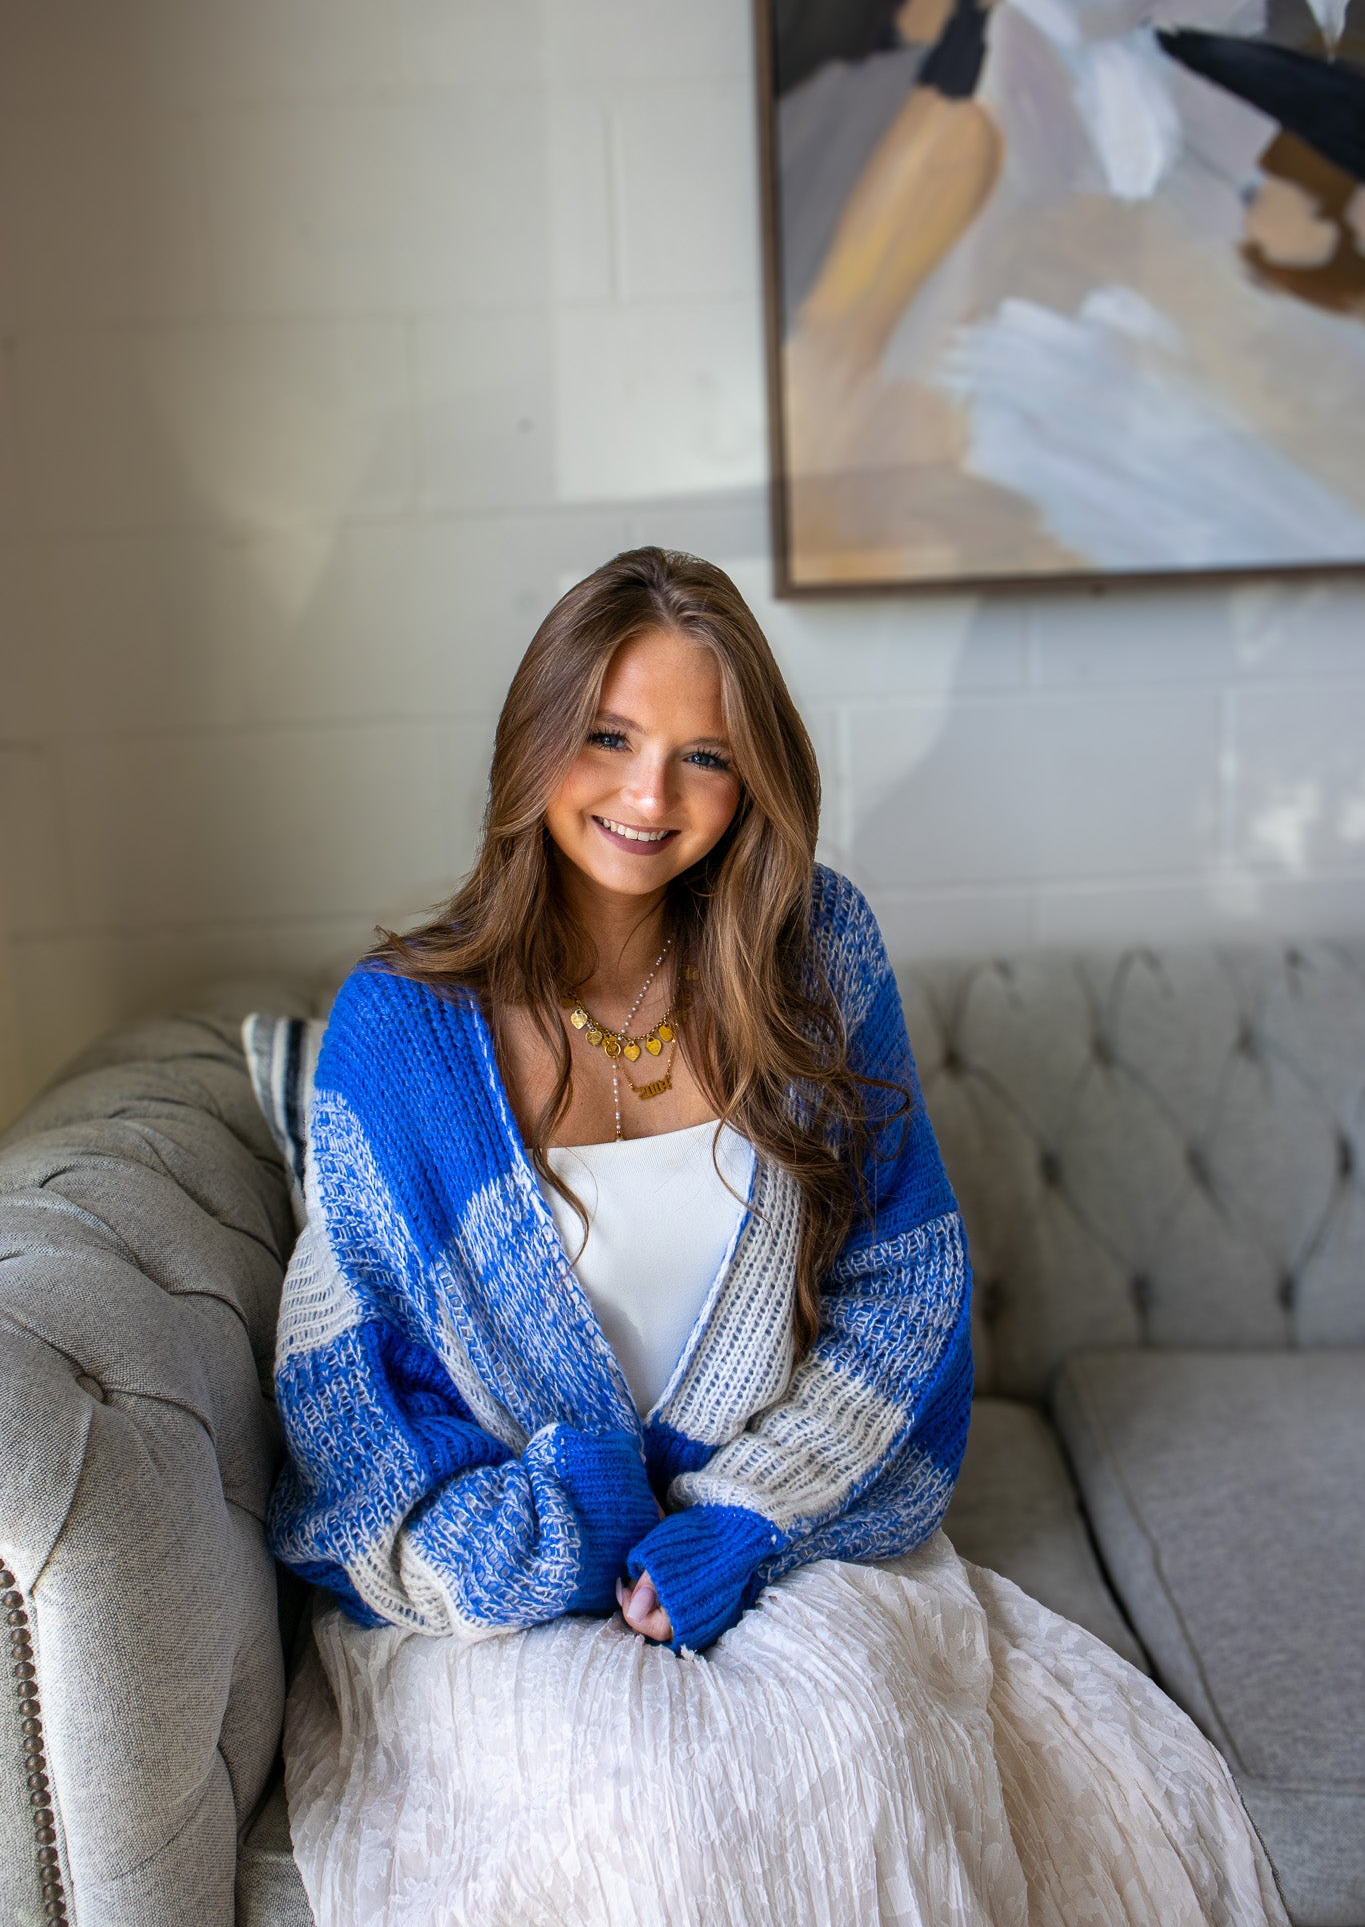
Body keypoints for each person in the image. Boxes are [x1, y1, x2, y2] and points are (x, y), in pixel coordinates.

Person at [269, 549, 1288, 1926]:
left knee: (848, 1785)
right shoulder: (399, 1031)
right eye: (610, 738)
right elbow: (351, 1386)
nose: (647, 796)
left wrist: (744, 1517)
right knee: (646, 1836)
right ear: (535, 743)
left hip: (782, 1523)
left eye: (705, 757)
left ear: (755, 782)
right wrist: (561, 1528)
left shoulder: (812, 958)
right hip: (510, 1576)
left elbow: (903, 1280)